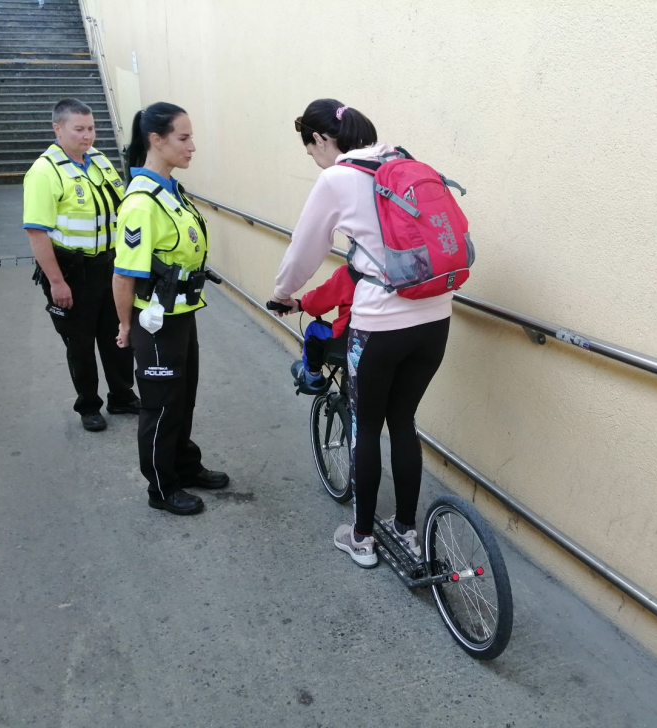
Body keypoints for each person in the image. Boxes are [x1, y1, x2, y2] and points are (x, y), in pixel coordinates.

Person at [272, 99, 453, 568]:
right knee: (403, 421)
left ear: (320, 139)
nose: (313, 158)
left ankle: (362, 537)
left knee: (366, 425)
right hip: (435, 318)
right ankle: (408, 530)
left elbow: (306, 247)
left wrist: (283, 291)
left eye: (310, 149)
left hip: (380, 327)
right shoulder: (404, 163)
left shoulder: (338, 178)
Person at [112, 102, 229, 516]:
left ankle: (183, 465)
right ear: (156, 141)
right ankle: (160, 488)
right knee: (160, 406)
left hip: (181, 314)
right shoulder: (142, 202)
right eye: (184, 137)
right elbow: (123, 275)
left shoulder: (170, 191)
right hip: (155, 322)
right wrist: (126, 326)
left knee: (183, 398)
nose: (192, 146)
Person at [23, 97, 139, 432]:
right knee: (80, 344)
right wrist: (57, 282)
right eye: (79, 129)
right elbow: (37, 233)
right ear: (57, 129)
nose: (87, 136)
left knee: (118, 335)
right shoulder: (44, 172)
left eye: (91, 128)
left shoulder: (99, 160)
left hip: (110, 266)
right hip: (72, 273)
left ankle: (122, 395)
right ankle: (89, 405)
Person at [288, 264, 355, 394]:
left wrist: (302, 304)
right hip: (390, 342)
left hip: (351, 342)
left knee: (314, 330)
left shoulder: (350, 274)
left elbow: (320, 300)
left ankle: (312, 377)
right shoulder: (399, 276)